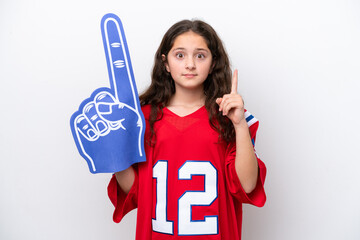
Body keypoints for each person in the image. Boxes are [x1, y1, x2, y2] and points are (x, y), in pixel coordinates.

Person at [107, 19, 266, 240]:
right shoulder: (141, 119)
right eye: (180, 55)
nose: (190, 64)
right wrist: (111, 153)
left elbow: (247, 185)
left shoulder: (232, 116)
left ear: (212, 63)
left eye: (200, 55)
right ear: (165, 62)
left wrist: (240, 126)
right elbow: (137, 193)